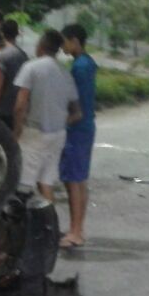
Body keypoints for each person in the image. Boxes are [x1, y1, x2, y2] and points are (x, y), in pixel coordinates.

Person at [12, 29, 81, 213]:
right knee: (46, 182)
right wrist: (59, 120)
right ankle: (49, 227)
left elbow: (20, 104)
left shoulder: (31, 67)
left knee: (24, 185)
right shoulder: (65, 73)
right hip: (58, 134)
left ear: (40, 46)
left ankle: (26, 230)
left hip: (34, 133)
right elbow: (77, 113)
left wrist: (17, 132)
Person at [59, 23, 98, 249]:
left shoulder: (79, 68)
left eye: (65, 41)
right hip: (85, 127)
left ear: (74, 40)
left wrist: (62, 123)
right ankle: (78, 228)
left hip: (77, 128)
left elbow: (77, 106)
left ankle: (75, 232)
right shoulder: (87, 63)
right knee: (79, 180)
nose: (63, 46)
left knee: (73, 181)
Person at [0, 19, 29, 130]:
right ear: (17, 33)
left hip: (3, 109)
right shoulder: (24, 56)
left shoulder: (1, 56)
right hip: (18, 107)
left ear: (2, 33)